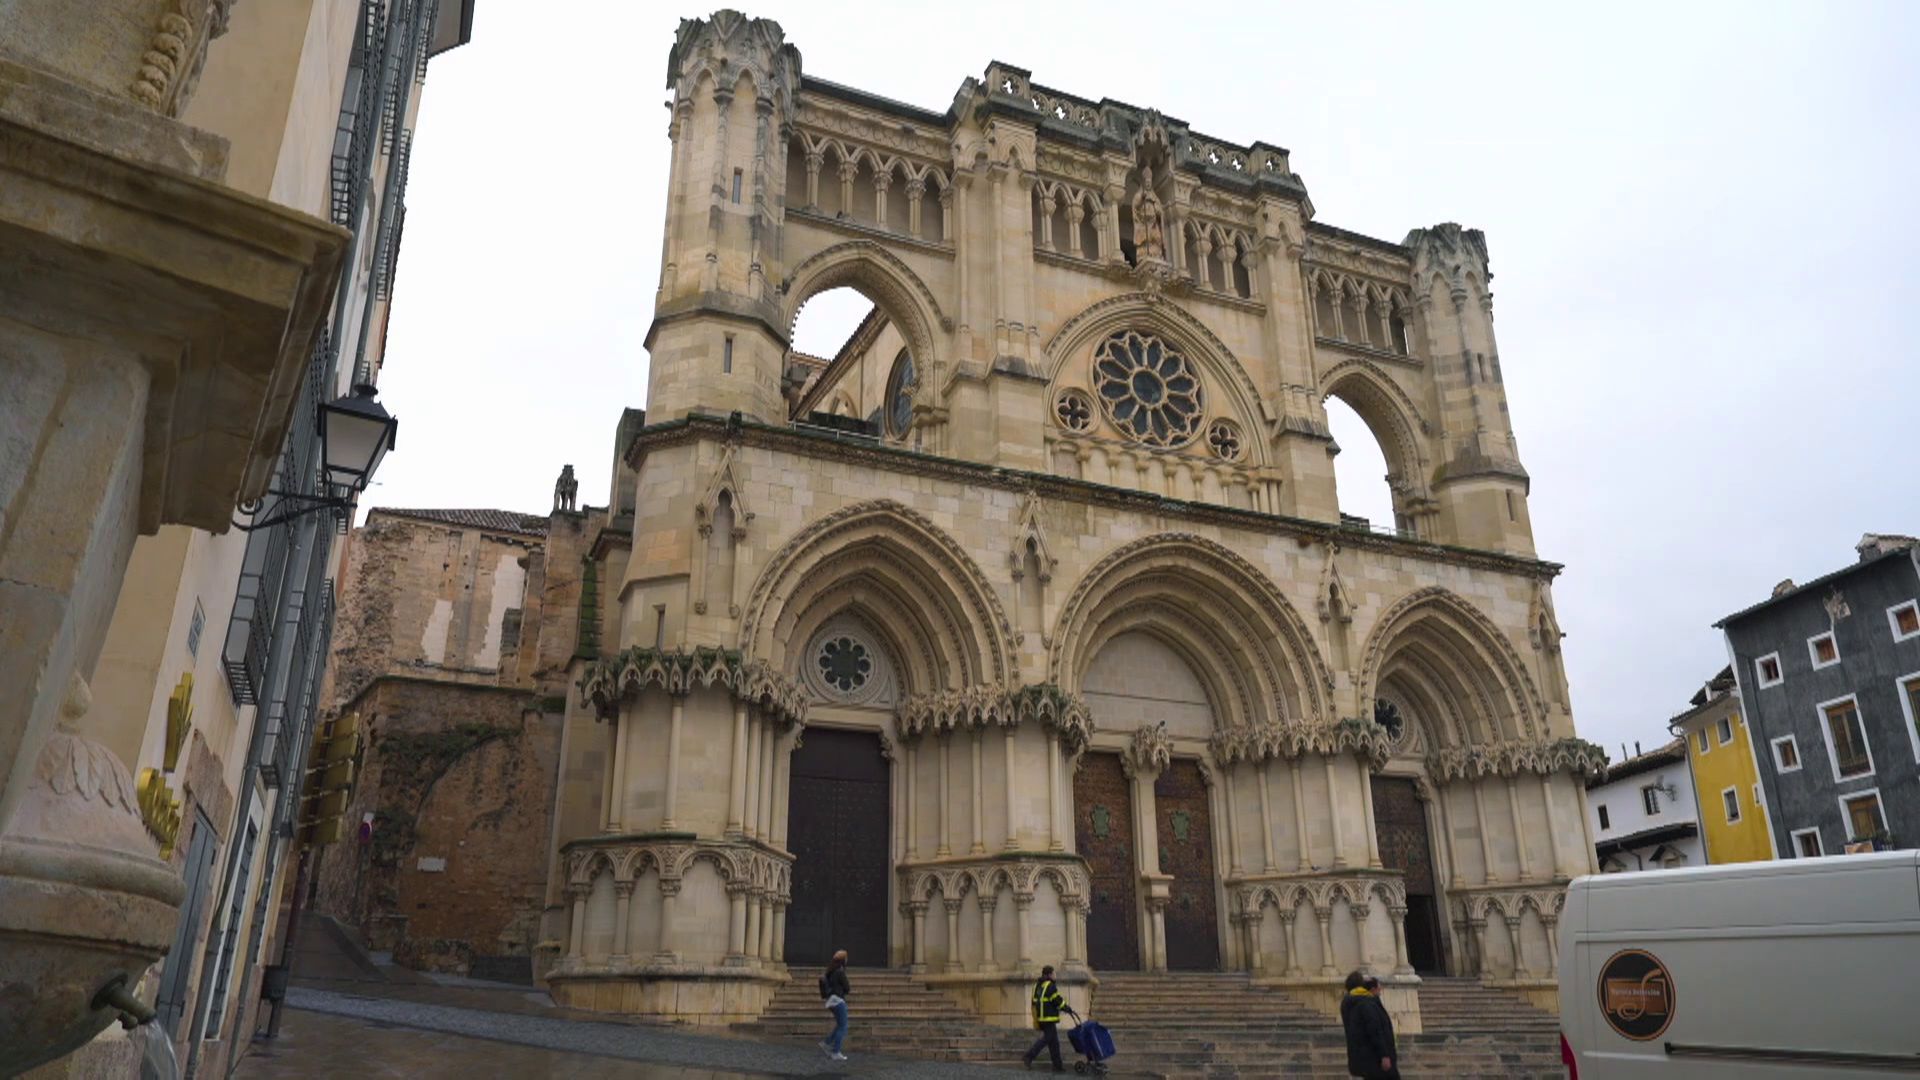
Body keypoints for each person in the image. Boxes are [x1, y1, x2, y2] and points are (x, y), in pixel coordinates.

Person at [1340, 970, 1401, 1079]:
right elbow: (1375, 1030)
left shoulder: (1349, 1003)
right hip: (1375, 1059)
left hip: (1363, 1059)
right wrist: (1384, 1054)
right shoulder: (1366, 1003)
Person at [1023, 964, 1068, 1072]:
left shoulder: (1037, 985)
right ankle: (1029, 1056)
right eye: (1054, 973)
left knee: (1054, 1043)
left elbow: (1034, 1002)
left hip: (1041, 1018)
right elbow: (1056, 1000)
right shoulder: (1050, 986)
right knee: (1046, 1040)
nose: (1055, 975)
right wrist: (1067, 1008)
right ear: (1049, 975)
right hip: (1049, 1018)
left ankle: (1058, 1066)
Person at [818, 949, 851, 1062]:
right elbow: (847, 988)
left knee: (840, 1025)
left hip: (831, 1000)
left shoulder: (830, 971)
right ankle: (835, 1052)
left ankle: (826, 1043)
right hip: (838, 1000)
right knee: (843, 1026)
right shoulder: (840, 972)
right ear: (843, 960)